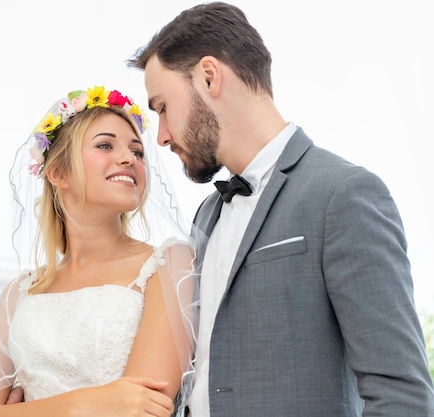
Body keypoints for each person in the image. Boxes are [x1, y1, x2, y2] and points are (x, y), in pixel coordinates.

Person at [126, 2, 434, 416]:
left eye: (162, 107)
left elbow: (401, 395)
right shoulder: (207, 214)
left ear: (209, 76)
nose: (160, 136)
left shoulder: (343, 193)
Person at [0, 85, 198, 417]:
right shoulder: (19, 293)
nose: (129, 158)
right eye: (105, 145)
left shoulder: (169, 264)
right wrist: (87, 402)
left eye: (137, 151)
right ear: (57, 172)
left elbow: (143, 408)